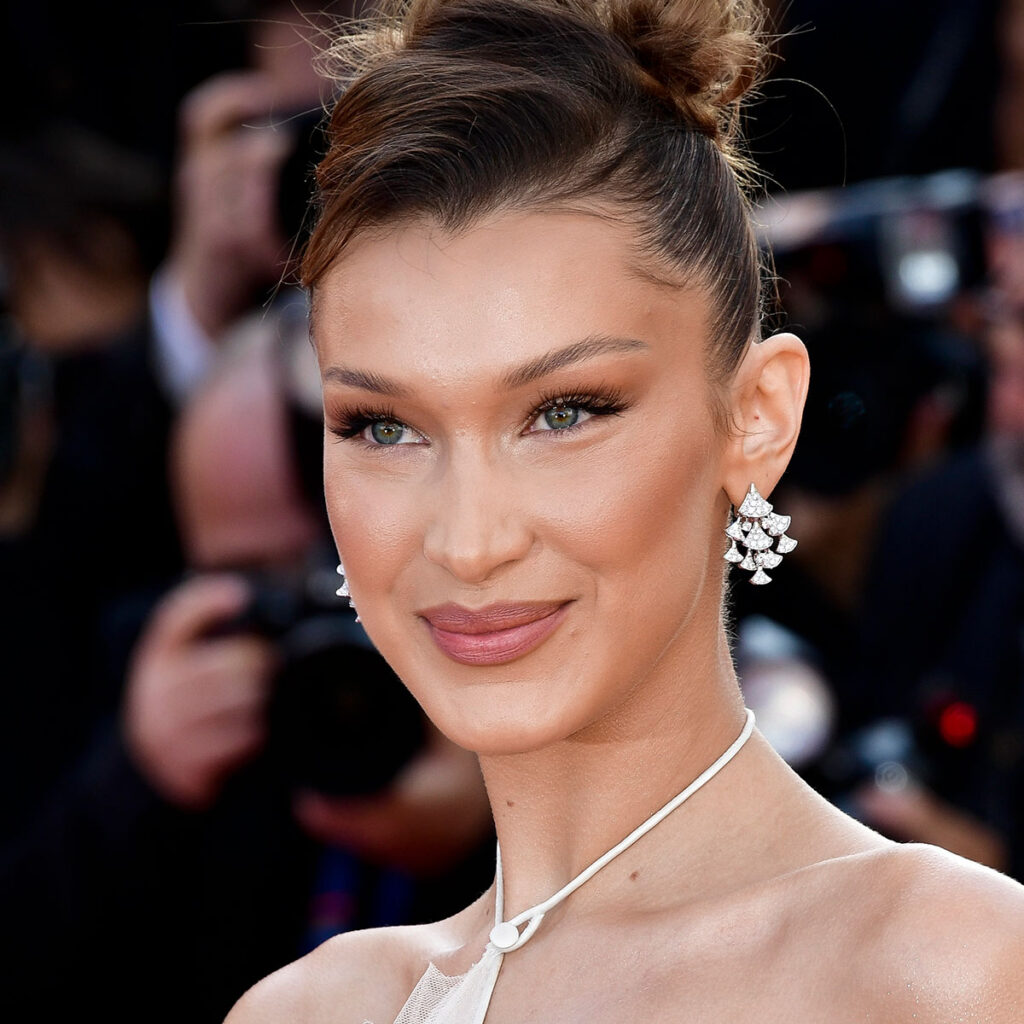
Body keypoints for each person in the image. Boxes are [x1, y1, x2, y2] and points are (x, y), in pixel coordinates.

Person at [227, 1, 1024, 1021]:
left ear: (757, 419)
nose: (468, 540)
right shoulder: (310, 1011)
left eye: (564, 413)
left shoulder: (952, 973)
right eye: (385, 427)